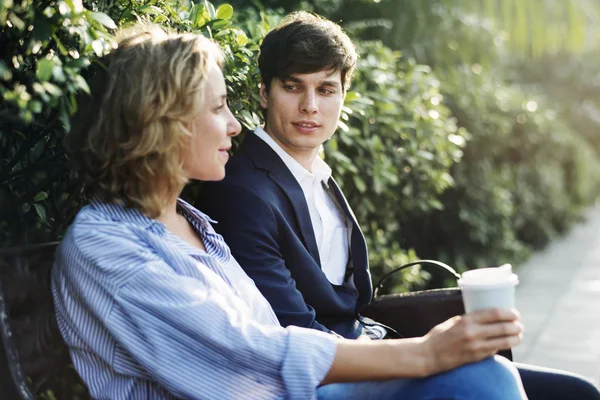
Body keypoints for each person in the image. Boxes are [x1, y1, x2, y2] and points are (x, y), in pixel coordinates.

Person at [50, 23, 529, 400]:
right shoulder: (106, 245)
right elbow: (250, 351)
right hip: (286, 388)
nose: (235, 126)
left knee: (498, 377)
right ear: (163, 121)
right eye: (218, 108)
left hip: (296, 385)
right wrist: (424, 354)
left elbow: (264, 336)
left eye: (327, 90)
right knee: (483, 384)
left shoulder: (189, 223)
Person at [198, 11, 600, 399]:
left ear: (343, 95)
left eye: (325, 89)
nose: (310, 107)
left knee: (575, 391)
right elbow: (295, 335)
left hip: (372, 344)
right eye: (292, 87)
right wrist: (421, 355)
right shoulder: (243, 191)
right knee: (491, 378)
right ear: (265, 92)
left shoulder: (314, 173)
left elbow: (350, 302)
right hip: (324, 377)